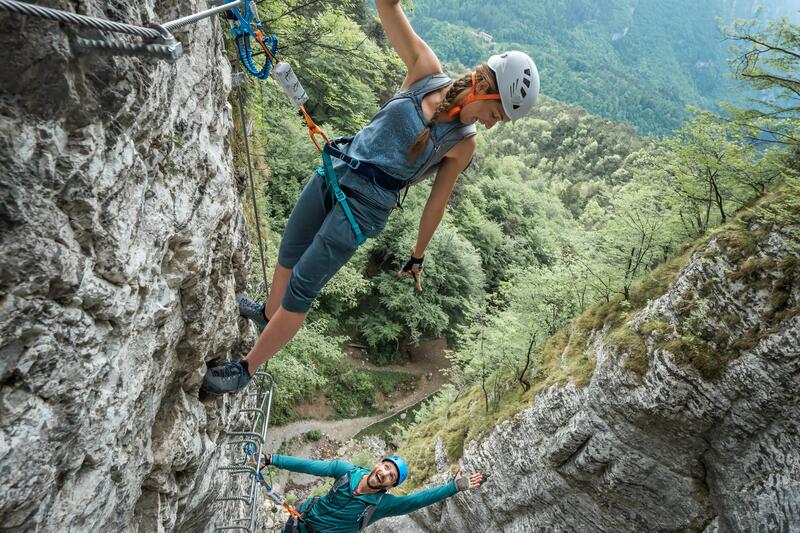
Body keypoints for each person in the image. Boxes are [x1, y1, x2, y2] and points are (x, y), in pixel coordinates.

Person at [201, 0, 539, 395]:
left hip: (363, 210)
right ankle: (267, 313)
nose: (491, 124)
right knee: (289, 252)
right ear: (485, 87)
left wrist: (418, 254)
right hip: (338, 169)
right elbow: (387, 6)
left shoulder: (463, 144)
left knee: (303, 287)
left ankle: (245, 370)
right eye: (497, 114)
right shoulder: (425, 71)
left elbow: (437, 202)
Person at [264, 453, 486, 533]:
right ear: (379, 464)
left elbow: (416, 501)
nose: (385, 474)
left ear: (389, 487)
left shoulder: (380, 506)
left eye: (391, 477)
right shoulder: (346, 471)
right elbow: (309, 466)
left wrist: (454, 487)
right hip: (299, 521)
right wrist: (272, 459)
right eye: (386, 467)